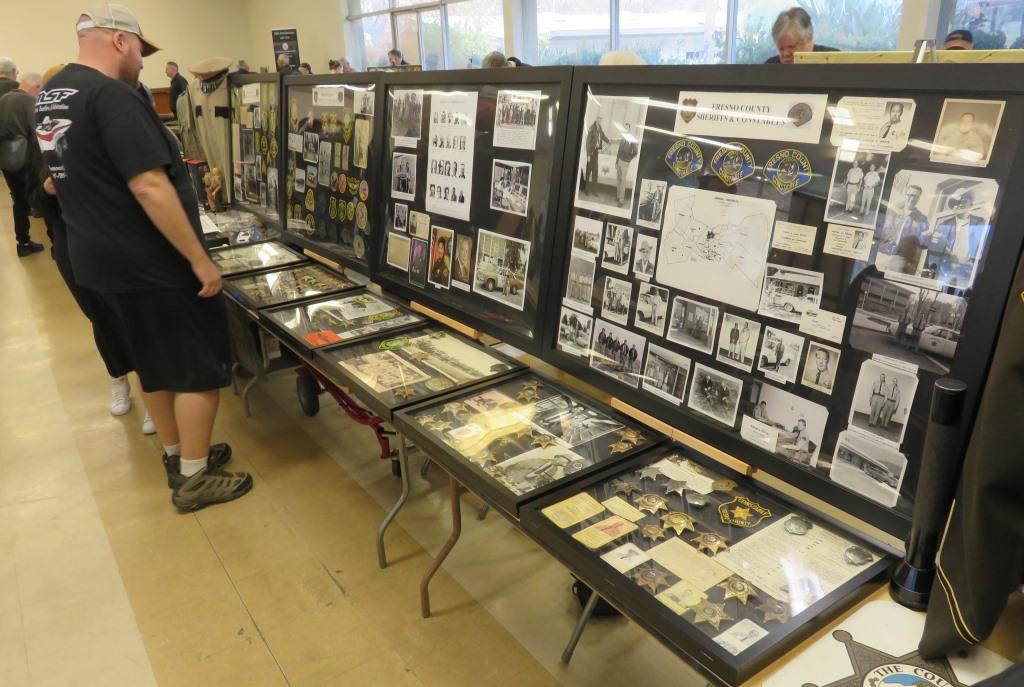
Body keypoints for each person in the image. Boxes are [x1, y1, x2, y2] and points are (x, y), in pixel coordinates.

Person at [37, 4, 251, 509]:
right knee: (199, 366)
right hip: (148, 261)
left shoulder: (52, 94)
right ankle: (194, 478)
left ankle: (177, 454)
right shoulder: (111, 95)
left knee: (149, 362)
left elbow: (61, 177)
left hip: (95, 257)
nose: (141, 60)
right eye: (139, 49)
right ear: (119, 41)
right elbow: (149, 185)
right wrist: (199, 260)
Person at [0, 68, 46, 256]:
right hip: (27, 160)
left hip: (7, 159)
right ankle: (55, 244)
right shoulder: (29, 102)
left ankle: (23, 242)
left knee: (19, 201)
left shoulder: (4, 99)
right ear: (36, 87)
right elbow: (38, 134)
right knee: (39, 198)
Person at [922, 188, 988, 285]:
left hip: (967, 274)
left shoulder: (981, 224)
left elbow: (985, 250)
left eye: (963, 201)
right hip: (944, 273)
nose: (960, 204)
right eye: (956, 202)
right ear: (953, 207)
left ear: (970, 204)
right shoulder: (943, 226)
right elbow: (932, 253)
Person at [765, 7, 838, 64]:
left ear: (809, 37)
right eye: (781, 49)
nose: (785, 54)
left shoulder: (836, 60)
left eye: (791, 47)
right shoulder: (770, 67)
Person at [583, 113, 609, 193]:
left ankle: (594, 190)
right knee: (588, 171)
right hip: (591, 153)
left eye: (601, 119)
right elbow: (588, 142)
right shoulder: (591, 128)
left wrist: (608, 141)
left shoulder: (600, 128)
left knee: (595, 172)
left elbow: (603, 136)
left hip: (596, 153)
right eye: (599, 118)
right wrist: (588, 155)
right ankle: (586, 190)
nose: (600, 120)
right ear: (596, 119)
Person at [615, 122, 638, 205]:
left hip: (625, 162)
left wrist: (629, 159)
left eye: (627, 128)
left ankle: (621, 200)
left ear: (629, 129)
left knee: (623, 181)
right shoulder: (622, 138)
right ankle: (618, 196)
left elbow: (635, 152)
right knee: (618, 180)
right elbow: (619, 151)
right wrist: (616, 162)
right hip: (619, 161)